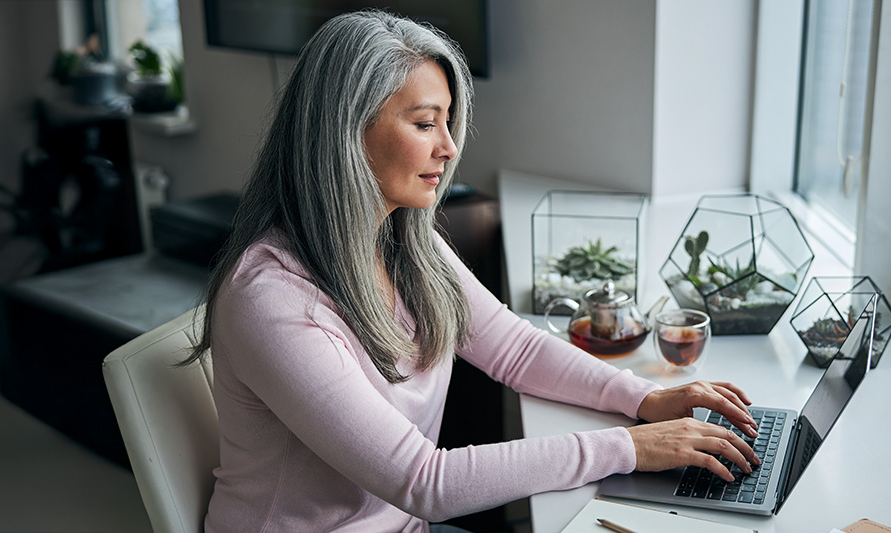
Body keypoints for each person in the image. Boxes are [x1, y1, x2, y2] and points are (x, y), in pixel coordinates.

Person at [185, 10, 760, 532]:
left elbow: (517, 351)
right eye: (425, 123)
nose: (449, 146)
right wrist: (634, 447)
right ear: (345, 133)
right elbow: (425, 483)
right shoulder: (272, 300)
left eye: (449, 121)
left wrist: (644, 399)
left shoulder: (405, 243)